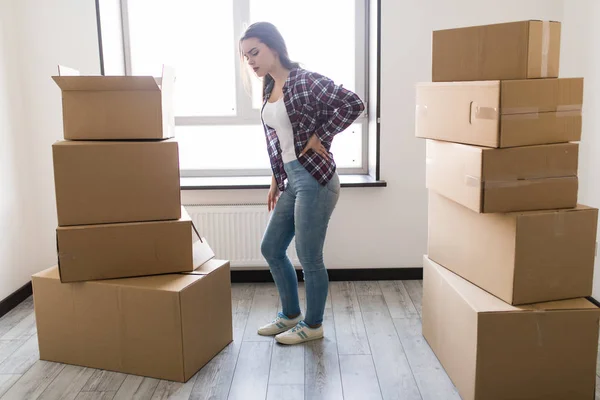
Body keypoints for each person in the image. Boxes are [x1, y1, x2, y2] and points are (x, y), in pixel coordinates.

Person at [239, 22, 365, 345]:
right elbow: (280, 139)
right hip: (291, 180)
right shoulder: (270, 89)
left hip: (315, 180)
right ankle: (290, 315)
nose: (250, 61)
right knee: (271, 248)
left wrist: (319, 136)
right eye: (245, 56)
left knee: (309, 256)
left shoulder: (304, 81)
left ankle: (313, 325)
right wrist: (274, 181)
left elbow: (353, 103)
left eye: (255, 52)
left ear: (274, 47)